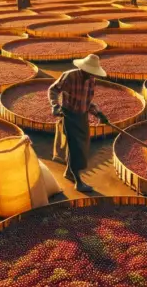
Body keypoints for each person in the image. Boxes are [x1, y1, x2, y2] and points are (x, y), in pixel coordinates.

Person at [47, 54, 110, 192]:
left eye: (94, 73)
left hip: (82, 117)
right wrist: (55, 106)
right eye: (90, 72)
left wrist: (98, 113)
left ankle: (69, 172)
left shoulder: (92, 80)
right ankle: (78, 182)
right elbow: (53, 90)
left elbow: (87, 102)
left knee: (84, 145)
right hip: (69, 115)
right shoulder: (69, 76)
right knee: (76, 147)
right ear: (83, 69)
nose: (92, 75)